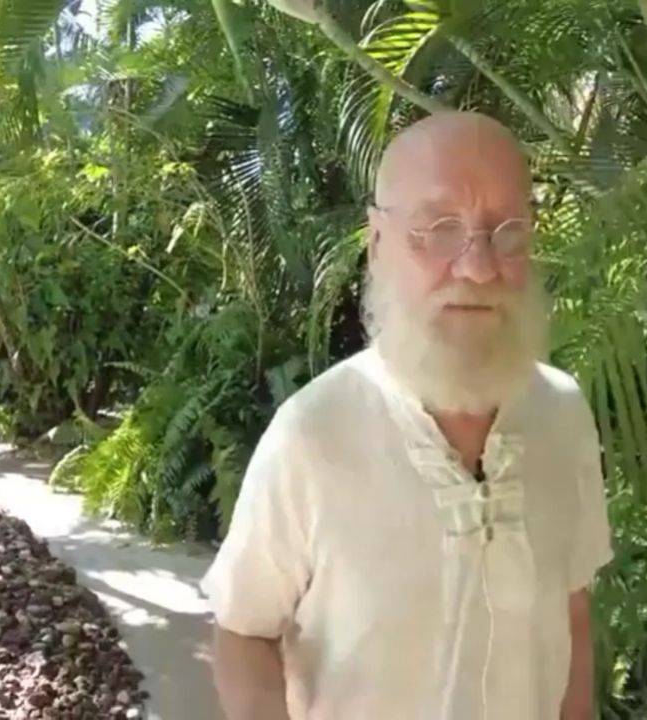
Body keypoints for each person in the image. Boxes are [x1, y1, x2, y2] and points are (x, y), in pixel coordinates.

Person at [199, 110, 613, 720]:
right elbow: (242, 630)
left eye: (506, 232)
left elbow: (572, 613)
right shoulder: (313, 434)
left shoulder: (563, 414)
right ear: (377, 244)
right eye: (439, 229)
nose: (478, 267)